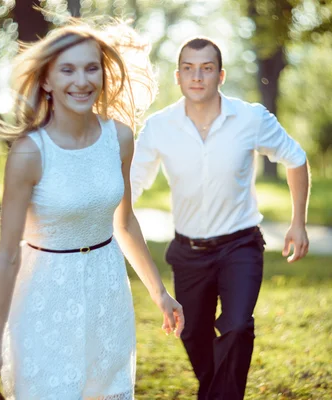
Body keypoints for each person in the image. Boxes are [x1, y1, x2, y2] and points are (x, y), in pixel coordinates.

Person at [0, 20, 184, 399]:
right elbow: (6, 256)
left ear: (103, 73)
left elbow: (125, 222)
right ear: (47, 80)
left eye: (90, 67)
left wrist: (159, 292)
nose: (81, 80)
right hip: (44, 298)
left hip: (107, 294)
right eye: (67, 69)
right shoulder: (29, 153)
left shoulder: (119, 137)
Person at [130, 37, 310, 399]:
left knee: (237, 327)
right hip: (187, 252)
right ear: (178, 77)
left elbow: (296, 159)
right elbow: (128, 190)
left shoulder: (251, 118)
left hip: (239, 246)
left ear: (220, 75)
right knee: (193, 334)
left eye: (207, 68)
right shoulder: (159, 127)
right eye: (189, 69)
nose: (197, 77)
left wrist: (298, 221)